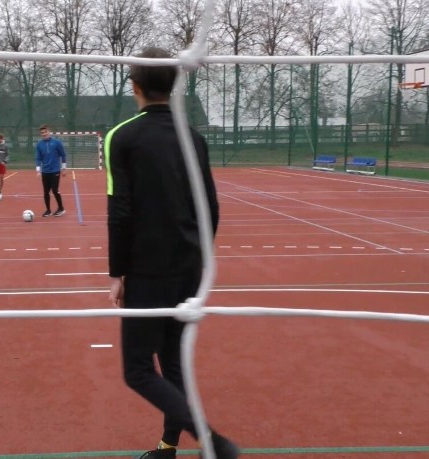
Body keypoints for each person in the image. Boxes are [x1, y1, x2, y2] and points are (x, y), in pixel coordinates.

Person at [105, 47, 239, 459]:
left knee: (139, 370)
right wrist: (201, 261)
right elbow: (210, 207)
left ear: (135, 87)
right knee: (174, 364)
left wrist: (117, 273)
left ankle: (211, 441)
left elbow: (120, 211)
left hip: (148, 271)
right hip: (188, 267)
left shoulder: (122, 136)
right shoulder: (192, 137)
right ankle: (167, 446)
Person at [34, 124, 67, 217]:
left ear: (49, 132)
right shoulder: (39, 144)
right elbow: (38, 158)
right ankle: (48, 210)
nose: (44, 134)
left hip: (55, 170)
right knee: (46, 192)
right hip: (45, 171)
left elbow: (63, 155)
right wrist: (38, 170)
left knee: (55, 190)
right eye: (42, 133)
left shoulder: (57, 142)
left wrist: (64, 168)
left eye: (45, 132)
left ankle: (61, 208)